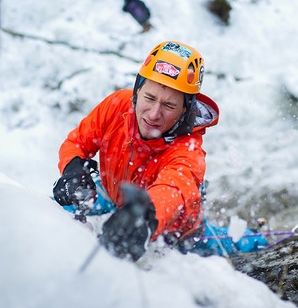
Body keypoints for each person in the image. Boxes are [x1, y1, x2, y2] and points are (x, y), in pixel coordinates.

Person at [52, 40, 266, 261]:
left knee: (218, 242)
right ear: (137, 91)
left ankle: (261, 237)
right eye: (149, 98)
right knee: (56, 209)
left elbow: (172, 190)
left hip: (169, 226)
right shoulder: (117, 105)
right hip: (113, 190)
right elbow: (77, 143)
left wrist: (146, 218)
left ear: (186, 109)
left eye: (169, 105)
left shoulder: (188, 153)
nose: (153, 114)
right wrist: (72, 169)